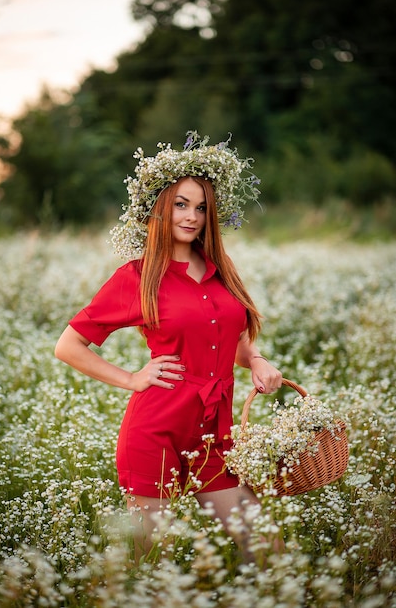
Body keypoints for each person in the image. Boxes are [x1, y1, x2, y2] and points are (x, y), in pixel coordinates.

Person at [55, 131, 283, 558]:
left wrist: (256, 359)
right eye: (181, 204)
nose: (191, 216)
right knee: (148, 560)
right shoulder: (137, 277)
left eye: (201, 207)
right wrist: (132, 378)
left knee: (265, 546)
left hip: (216, 434)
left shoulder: (222, 269)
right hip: (155, 430)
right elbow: (68, 345)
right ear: (160, 208)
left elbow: (233, 340)